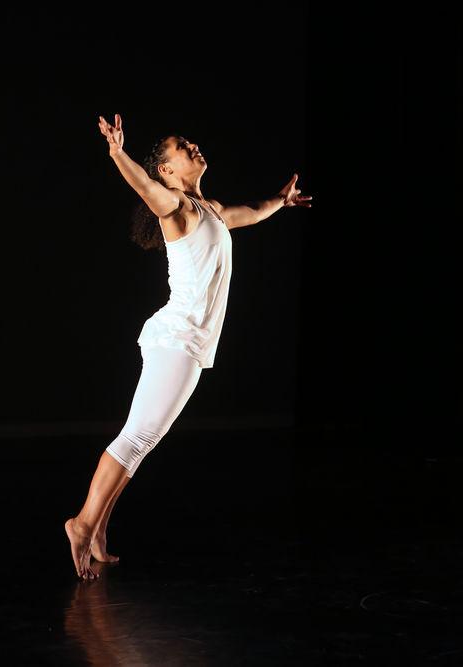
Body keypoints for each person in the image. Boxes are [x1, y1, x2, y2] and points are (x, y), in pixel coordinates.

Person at [64, 114, 312, 580]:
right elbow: (144, 189)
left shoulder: (211, 209)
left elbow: (250, 212)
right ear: (167, 171)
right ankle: (81, 523)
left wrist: (281, 201)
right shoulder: (175, 206)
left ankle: (97, 527)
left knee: (141, 442)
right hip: (177, 340)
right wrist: (118, 153)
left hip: (186, 342)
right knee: (135, 439)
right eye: (182, 146)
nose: (193, 146)